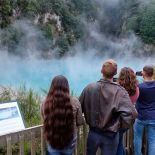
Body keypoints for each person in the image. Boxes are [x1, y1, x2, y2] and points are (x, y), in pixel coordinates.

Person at [79, 59, 137, 155]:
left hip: (93, 133)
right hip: (111, 135)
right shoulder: (120, 91)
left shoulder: (89, 87)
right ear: (115, 73)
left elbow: (79, 107)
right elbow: (132, 114)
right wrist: (119, 126)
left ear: (101, 71)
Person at [41, 75, 84, 155]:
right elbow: (80, 121)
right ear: (67, 87)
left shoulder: (45, 102)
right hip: (70, 140)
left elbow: (44, 118)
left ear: (52, 87)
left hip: (52, 140)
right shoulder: (75, 101)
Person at [116, 67, 139, 155]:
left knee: (116, 144)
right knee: (119, 141)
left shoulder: (118, 89)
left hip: (117, 120)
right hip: (128, 120)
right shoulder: (136, 89)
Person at [134, 65, 155, 155]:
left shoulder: (139, 87)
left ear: (144, 73)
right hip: (153, 116)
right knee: (152, 140)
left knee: (137, 138)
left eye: (142, 71)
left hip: (141, 116)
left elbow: (134, 99)